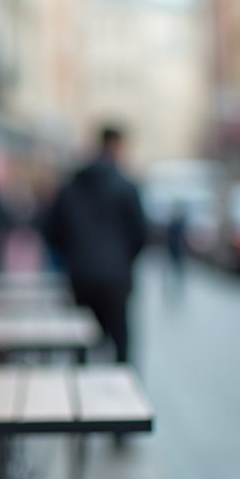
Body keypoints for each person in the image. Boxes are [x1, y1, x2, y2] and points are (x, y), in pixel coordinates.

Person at [41, 126, 147, 365]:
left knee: (81, 345)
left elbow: (50, 230)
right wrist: (122, 259)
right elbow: (141, 234)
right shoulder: (126, 187)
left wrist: (73, 254)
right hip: (116, 279)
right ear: (117, 145)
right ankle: (120, 398)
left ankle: (81, 392)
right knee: (121, 348)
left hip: (80, 277)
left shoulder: (69, 187)